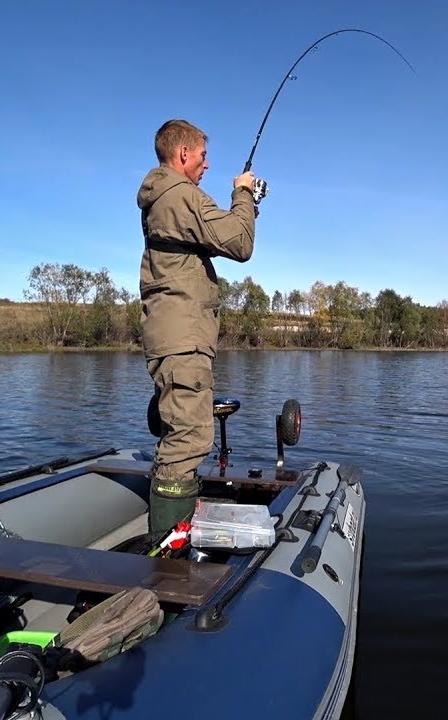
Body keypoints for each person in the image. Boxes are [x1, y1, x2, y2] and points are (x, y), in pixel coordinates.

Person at [136, 119, 258, 537]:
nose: (207, 165)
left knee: (181, 433)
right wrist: (244, 192)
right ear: (183, 154)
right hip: (182, 340)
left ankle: (172, 535)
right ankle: (168, 569)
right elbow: (239, 242)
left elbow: (215, 239)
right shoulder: (180, 195)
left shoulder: (165, 199)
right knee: (189, 439)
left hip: (174, 336)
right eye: (203, 156)